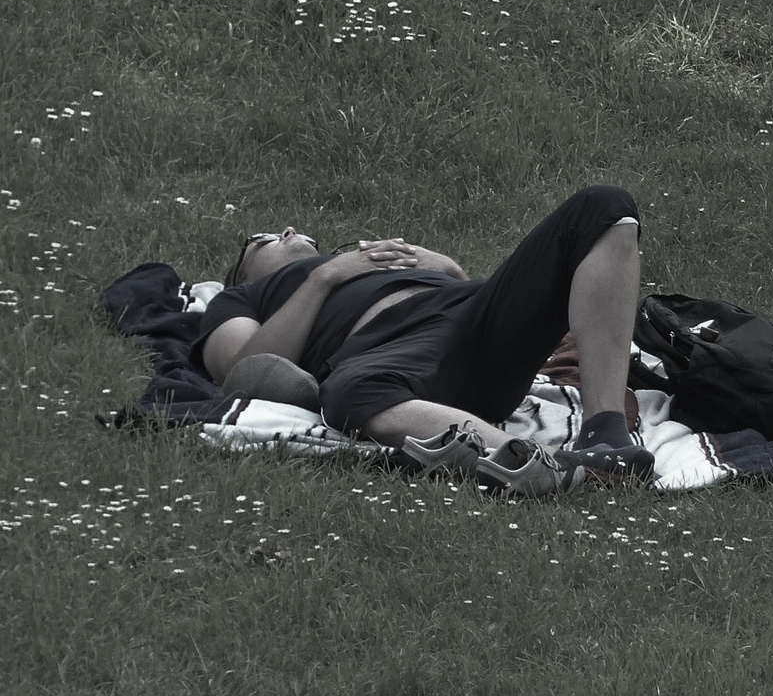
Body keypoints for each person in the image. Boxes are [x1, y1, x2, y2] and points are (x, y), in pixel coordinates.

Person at [192, 184, 650, 495]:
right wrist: (325, 278)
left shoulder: (373, 261)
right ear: (241, 274)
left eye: (294, 231)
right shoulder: (246, 297)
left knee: (605, 207)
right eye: (261, 240)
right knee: (348, 392)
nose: (288, 231)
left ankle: (606, 434)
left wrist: (447, 269)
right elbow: (242, 369)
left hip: (470, 320)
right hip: (395, 361)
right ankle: (554, 466)